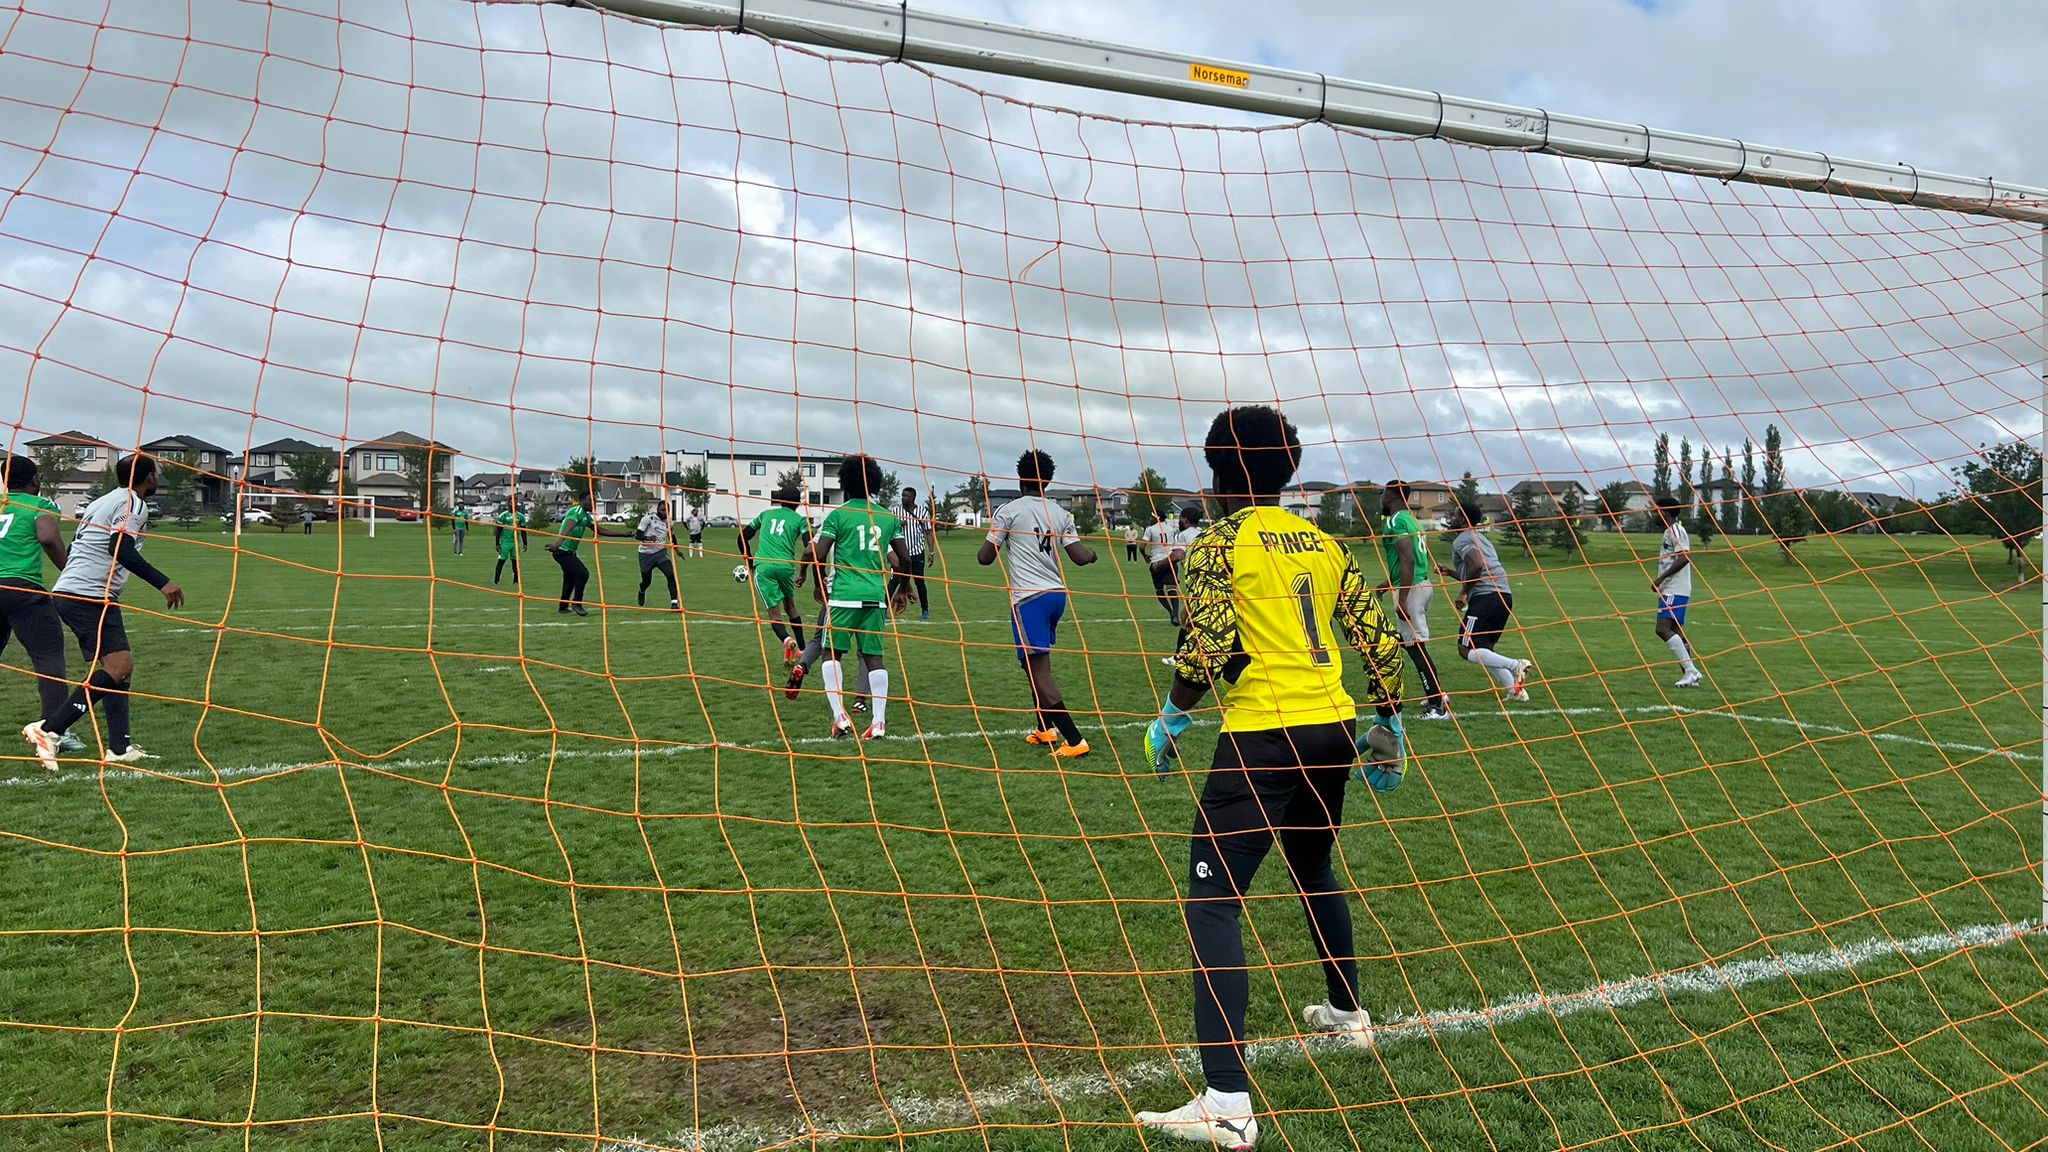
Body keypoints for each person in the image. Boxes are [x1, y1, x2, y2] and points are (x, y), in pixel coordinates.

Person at [1134, 406, 1403, 1148]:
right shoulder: (1325, 542)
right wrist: (1389, 718)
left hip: (1264, 734)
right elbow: (1376, 635)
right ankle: (1347, 1014)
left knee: (1214, 903)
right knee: (1313, 866)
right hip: (1333, 726)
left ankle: (1226, 1102)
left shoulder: (1219, 542)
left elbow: (1208, 644)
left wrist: (1172, 715)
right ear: (1289, 470)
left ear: (1218, 472)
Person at [26, 455, 185, 768]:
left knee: (120, 669)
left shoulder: (103, 501)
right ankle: (50, 729)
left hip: (76, 591)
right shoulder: (133, 503)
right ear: (149, 478)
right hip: (89, 595)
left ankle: (120, 748)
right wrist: (163, 583)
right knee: (118, 667)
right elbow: (119, 548)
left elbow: (79, 545)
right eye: (155, 474)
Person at [977, 450, 1096, 759]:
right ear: (1048, 481)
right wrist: (1093, 554)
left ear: (1020, 478)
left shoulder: (1009, 511)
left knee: (1039, 669)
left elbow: (984, 558)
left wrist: (999, 537)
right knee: (1032, 662)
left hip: (1029, 599)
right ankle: (1045, 728)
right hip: (1056, 596)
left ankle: (1074, 740)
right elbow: (1080, 557)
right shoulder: (1060, 513)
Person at [805, 456, 911, 740]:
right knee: (874, 657)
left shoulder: (839, 515)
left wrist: (819, 584)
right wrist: (904, 587)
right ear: (875, 483)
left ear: (845, 483)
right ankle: (879, 722)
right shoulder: (888, 517)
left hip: (844, 597)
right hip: (875, 598)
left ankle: (840, 716)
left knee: (831, 653)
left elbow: (817, 553)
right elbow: (904, 559)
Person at [0, 457, 75, 766]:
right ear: (35, 480)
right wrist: (69, 570)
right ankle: (55, 729)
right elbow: (47, 536)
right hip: (22, 588)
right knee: (48, 659)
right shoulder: (39, 504)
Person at [1435, 499, 1531, 701]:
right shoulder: (1481, 538)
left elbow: (1477, 566)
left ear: (1463, 520)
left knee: (1465, 648)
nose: (1452, 518)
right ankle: (1515, 690)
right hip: (1503, 596)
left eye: (1455, 515)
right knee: (1485, 650)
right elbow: (1478, 571)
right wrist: (1450, 572)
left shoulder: (1462, 539)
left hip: (1486, 598)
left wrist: (1464, 593)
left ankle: (1516, 665)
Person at [1379, 481, 1449, 720]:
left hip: (1411, 590)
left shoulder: (1395, 521)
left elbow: (1407, 558)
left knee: (1415, 648)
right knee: (1412, 644)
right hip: (1422, 584)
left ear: (1390, 496)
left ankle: (1437, 705)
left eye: (1383, 494)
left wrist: (1403, 598)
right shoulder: (1412, 520)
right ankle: (1436, 694)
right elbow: (1409, 559)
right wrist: (1387, 583)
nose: (1381, 498)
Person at [742, 488, 811, 664]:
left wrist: (749, 561)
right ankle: (803, 650)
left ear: (779, 500)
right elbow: (809, 547)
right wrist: (804, 572)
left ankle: (788, 641)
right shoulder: (800, 520)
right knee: (791, 607)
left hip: (764, 566)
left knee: (775, 615)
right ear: (798, 503)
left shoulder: (765, 514)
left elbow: (742, 537)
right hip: (786, 567)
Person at [1652, 495, 1702, 687]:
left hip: (1676, 588)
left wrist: (1661, 579)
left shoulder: (1676, 530)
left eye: (1656, 510)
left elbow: (1684, 557)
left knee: (1662, 628)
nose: (1653, 514)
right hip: (1671, 588)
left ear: (1664, 512)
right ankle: (1690, 675)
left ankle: (1690, 671)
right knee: (1675, 629)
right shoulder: (1669, 531)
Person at [1159, 504, 1203, 665]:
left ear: (1185, 520)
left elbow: (1177, 555)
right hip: (1211, 579)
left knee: (1187, 618)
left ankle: (1178, 657)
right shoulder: (1204, 533)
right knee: (1189, 617)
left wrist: (1159, 565)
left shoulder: (1183, 535)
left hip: (1198, 582)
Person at [547, 493, 599, 616]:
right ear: (581, 500)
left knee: (570, 579)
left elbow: (599, 530)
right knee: (583, 574)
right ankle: (576, 603)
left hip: (569, 552)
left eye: (594, 501)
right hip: (562, 552)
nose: (592, 504)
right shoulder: (576, 512)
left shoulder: (586, 516)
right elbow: (569, 526)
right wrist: (558, 543)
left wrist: (623, 534)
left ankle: (563, 607)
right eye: (590, 500)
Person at [886, 486, 933, 621]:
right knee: (894, 580)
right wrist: (899, 524)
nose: (903, 498)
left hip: (917, 552)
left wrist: (932, 551)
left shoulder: (922, 512)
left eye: (906, 496)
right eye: (902, 495)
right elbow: (889, 529)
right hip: (899, 554)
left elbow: (929, 532)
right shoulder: (895, 511)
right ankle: (884, 609)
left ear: (913, 498)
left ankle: (925, 610)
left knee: (919, 581)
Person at [634, 502, 678, 608]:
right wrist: (648, 538)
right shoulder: (648, 519)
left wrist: (677, 550)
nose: (665, 513)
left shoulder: (669, 522)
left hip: (660, 553)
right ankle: (642, 591)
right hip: (645, 554)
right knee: (646, 581)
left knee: (671, 575)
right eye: (662, 510)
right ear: (658, 509)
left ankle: (674, 603)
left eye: (667, 511)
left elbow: (672, 537)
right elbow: (638, 535)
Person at [1143, 509, 1178, 625]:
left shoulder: (1150, 529)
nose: (1150, 519)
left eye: (1152, 517)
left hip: (1157, 562)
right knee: (1172, 588)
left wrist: (1145, 556)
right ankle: (1176, 615)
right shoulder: (1171, 529)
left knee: (1159, 589)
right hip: (1170, 561)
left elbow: (1142, 546)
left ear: (1156, 518)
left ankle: (1170, 612)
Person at [493, 502, 520, 586]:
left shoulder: (520, 516)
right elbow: (498, 530)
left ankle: (516, 581)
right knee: (501, 561)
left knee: (515, 563)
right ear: (508, 504)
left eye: (515, 503)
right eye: (511, 503)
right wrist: (497, 543)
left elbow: (523, 530)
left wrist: (525, 543)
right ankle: (496, 581)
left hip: (515, 543)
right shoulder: (503, 516)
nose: (513, 505)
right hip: (505, 542)